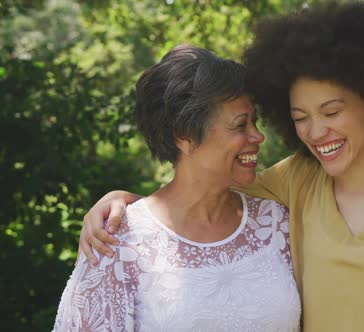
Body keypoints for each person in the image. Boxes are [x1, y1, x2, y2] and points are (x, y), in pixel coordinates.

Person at [79, 2, 364, 331]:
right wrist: (125, 202)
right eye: (300, 116)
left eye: (332, 111)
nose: (317, 131)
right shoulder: (296, 182)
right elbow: (199, 191)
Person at [53, 45, 301, 331]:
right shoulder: (116, 242)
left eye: (254, 122)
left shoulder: (277, 223)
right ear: (184, 136)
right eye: (240, 125)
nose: (258, 136)